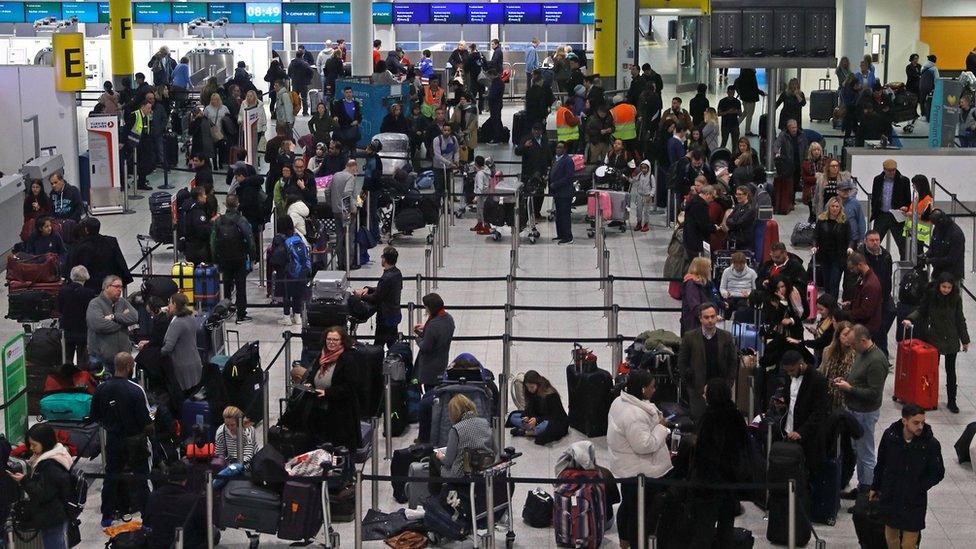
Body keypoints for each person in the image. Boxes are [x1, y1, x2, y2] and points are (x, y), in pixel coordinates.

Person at [606, 369, 672, 549]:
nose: (655, 389)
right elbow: (644, 445)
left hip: (627, 467)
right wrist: (661, 428)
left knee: (628, 504)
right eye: (652, 386)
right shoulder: (634, 415)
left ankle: (625, 541)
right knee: (638, 511)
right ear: (642, 389)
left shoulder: (620, 402)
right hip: (640, 471)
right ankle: (636, 543)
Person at [871, 404, 945, 549]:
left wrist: (919, 486)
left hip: (914, 499)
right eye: (916, 422)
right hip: (891, 495)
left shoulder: (930, 444)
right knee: (891, 537)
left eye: (922, 422)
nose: (920, 426)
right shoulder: (890, 436)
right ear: (905, 421)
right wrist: (875, 486)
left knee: (908, 544)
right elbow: (881, 463)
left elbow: (937, 472)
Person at [91, 352, 152, 527]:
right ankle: (147, 520)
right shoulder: (135, 389)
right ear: (128, 367)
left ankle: (107, 516)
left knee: (111, 477)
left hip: (113, 440)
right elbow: (146, 420)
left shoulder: (101, 388)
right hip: (135, 440)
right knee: (141, 479)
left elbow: (95, 415)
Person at [687, 380, 749, 549]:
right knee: (725, 530)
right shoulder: (735, 415)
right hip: (730, 483)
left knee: (703, 531)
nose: (703, 395)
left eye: (706, 392)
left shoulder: (711, 417)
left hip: (710, 486)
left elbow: (706, 453)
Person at [833, 324, 889, 501]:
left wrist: (850, 389)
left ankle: (867, 493)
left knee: (866, 454)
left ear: (863, 341)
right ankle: (862, 486)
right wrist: (846, 381)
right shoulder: (862, 353)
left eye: (853, 344)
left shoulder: (877, 361)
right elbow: (859, 378)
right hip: (854, 411)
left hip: (865, 413)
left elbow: (873, 393)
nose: (851, 348)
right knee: (858, 450)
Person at [903, 272, 969, 413]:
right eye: (944, 286)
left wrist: (965, 340)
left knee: (951, 371)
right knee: (931, 371)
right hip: (934, 339)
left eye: (949, 287)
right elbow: (921, 310)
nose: (946, 290)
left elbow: (960, 319)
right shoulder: (932, 296)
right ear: (939, 285)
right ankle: (928, 397)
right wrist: (910, 318)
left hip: (951, 339)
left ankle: (952, 401)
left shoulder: (956, 299)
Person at [292, 327, 362, 450]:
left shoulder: (348, 359)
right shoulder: (322, 355)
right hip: (319, 407)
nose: (331, 342)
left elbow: (350, 386)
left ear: (342, 341)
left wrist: (327, 393)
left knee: (339, 447)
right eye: (329, 339)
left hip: (340, 412)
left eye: (335, 339)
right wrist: (309, 383)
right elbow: (313, 373)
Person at [5, 422, 72, 549]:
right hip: (55, 513)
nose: (31, 448)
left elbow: (43, 493)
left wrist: (24, 480)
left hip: (53, 516)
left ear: (45, 442)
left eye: (34, 445)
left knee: (54, 544)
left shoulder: (50, 465)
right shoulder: (58, 454)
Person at [678, 302, 737, 420]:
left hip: (720, 390)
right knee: (699, 423)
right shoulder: (690, 337)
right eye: (706, 317)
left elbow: (733, 362)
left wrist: (728, 385)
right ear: (700, 318)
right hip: (697, 390)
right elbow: (682, 362)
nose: (710, 320)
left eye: (713, 316)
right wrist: (690, 385)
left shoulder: (726, 337)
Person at [773, 350, 829, 475]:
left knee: (807, 472)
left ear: (801, 364)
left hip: (808, 436)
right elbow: (792, 400)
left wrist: (801, 432)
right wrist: (783, 404)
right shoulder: (790, 376)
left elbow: (819, 412)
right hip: (789, 430)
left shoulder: (818, 380)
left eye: (792, 370)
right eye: (787, 371)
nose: (790, 374)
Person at [142, 461, 208, 549]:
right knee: (213, 533)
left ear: (168, 477)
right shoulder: (194, 500)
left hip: (158, 543)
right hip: (187, 544)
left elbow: (147, 522)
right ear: (186, 479)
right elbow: (203, 528)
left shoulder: (153, 496)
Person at [210, 195, 255, 324]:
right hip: (239, 258)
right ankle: (241, 314)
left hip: (224, 258)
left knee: (227, 285)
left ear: (226, 205)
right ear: (237, 204)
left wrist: (215, 258)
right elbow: (250, 239)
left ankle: (226, 309)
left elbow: (213, 241)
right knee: (241, 287)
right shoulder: (241, 220)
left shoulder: (219, 221)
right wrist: (253, 256)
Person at [85, 275, 137, 372]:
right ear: (107, 287)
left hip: (122, 360)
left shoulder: (123, 302)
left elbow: (134, 317)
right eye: (116, 286)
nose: (120, 290)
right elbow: (99, 325)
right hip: (101, 359)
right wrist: (123, 323)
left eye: (121, 287)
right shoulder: (95, 304)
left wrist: (115, 317)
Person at [355, 246, 403, 349]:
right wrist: (369, 289)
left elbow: (376, 298)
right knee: (392, 344)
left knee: (378, 346)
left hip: (385, 317)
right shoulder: (397, 273)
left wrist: (360, 296)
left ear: (385, 259)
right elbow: (384, 290)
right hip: (394, 314)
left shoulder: (386, 278)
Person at [435, 394, 493, 478]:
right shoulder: (485, 422)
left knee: (434, 460)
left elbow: (448, 462)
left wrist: (440, 456)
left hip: (461, 474)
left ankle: (440, 490)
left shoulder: (456, 429)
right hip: (484, 469)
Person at [509, 370, 569, 445]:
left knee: (544, 426)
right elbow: (530, 408)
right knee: (513, 416)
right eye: (527, 387)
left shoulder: (551, 394)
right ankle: (532, 430)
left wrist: (537, 420)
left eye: (532, 387)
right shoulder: (531, 392)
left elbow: (553, 416)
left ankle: (526, 432)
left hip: (553, 420)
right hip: (537, 418)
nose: (529, 390)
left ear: (538, 384)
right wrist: (527, 416)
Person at [159, 293, 202, 392]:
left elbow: (168, 347)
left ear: (174, 304)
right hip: (195, 362)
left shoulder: (178, 323)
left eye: (169, 303)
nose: (168, 306)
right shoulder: (191, 317)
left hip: (182, 367)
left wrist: (156, 354)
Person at [57, 266, 98, 367]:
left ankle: (67, 378)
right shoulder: (89, 293)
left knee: (67, 358)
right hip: (83, 329)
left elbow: (60, 309)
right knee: (83, 360)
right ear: (85, 277)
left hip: (67, 328)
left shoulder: (63, 291)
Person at [414, 293, 456, 389]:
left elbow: (425, 347)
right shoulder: (449, 319)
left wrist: (417, 337)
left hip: (430, 367)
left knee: (430, 392)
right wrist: (426, 328)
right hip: (442, 361)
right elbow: (439, 334)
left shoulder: (433, 325)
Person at [814, 197, 853, 299]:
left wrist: (850, 247)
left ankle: (833, 305)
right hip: (825, 256)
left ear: (840, 208)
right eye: (833, 206)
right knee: (826, 281)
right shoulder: (821, 219)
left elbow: (850, 238)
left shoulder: (844, 221)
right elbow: (815, 236)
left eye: (837, 206)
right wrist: (814, 246)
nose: (835, 208)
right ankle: (827, 303)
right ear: (829, 207)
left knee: (834, 281)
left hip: (839, 257)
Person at [278, 216, 312, 325]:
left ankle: (287, 317)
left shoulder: (279, 239)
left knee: (287, 294)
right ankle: (297, 317)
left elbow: (276, 258)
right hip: (301, 270)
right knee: (298, 294)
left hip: (287, 271)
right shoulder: (297, 236)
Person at [845, 253, 883, 342]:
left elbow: (865, 312)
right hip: (862, 324)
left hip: (867, 327)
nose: (851, 271)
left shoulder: (870, 285)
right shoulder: (864, 279)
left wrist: (847, 313)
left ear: (860, 265)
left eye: (852, 268)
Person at [927, 209, 966, 281]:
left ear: (941, 220)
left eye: (936, 224)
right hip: (937, 272)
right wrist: (925, 255)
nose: (935, 226)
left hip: (952, 275)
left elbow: (951, 259)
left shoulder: (956, 234)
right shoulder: (937, 228)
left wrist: (931, 260)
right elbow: (932, 248)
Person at [682, 184, 717, 260]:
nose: (712, 200)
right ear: (708, 194)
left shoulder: (693, 200)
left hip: (689, 238)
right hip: (697, 241)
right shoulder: (701, 205)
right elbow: (703, 225)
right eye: (713, 197)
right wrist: (714, 228)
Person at [719, 251, 757, 316]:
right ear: (733, 263)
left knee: (742, 309)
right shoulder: (726, 271)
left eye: (741, 264)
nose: (739, 267)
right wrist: (725, 294)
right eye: (736, 265)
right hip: (730, 297)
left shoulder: (752, 273)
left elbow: (755, 289)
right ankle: (726, 324)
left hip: (745, 298)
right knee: (726, 306)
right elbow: (722, 288)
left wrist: (749, 295)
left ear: (745, 263)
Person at [183, 187, 213, 265]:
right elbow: (202, 231)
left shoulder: (188, 208)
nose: (206, 196)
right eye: (204, 195)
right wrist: (210, 226)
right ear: (199, 196)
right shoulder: (198, 212)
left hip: (189, 246)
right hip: (198, 249)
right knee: (200, 273)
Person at [800, 142, 828, 222]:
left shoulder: (826, 162)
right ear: (811, 152)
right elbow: (804, 178)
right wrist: (817, 178)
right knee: (812, 214)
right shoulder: (806, 163)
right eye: (814, 150)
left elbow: (828, 176)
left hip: (823, 190)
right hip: (810, 191)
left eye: (818, 150)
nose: (817, 152)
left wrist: (820, 178)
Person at [733, 68, 765, 136]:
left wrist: (740, 92)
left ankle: (735, 125)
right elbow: (754, 87)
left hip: (744, 97)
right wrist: (761, 93)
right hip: (751, 98)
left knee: (745, 112)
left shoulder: (743, 72)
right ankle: (747, 131)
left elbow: (736, 82)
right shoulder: (751, 74)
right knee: (749, 114)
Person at [725, 185, 757, 250]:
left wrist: (733, 221)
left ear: (746, 195)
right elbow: (727, 220)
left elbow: (739, 223)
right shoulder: (738, 206)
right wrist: (734, 221)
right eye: (736, 194)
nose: (737, 197)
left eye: (740, 194)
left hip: (744, 241)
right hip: (734, 238)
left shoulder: (750, 209)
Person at [836, 179, 866, 248]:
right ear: (837, 191)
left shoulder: (855, 203)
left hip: (853, 238)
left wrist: (861, 238)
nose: (846, 192)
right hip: (837, 239)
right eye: (843, 190)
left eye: (847, 190)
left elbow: (861, 222)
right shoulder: (832, 203)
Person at [630, 160, 655, 232]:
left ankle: (646, 224)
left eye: (645, 168)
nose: (644, 169)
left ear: (648, 168)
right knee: (638, 210)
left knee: (646, 211)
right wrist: (628, 178)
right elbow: (633, 180)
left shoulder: (651, 176)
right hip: (639, 195)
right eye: (642, 168)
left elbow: (653, 187)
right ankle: (639, 223)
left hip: (647, 196)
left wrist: (651, 195)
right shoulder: (640, 175)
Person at [287, 52, 313, 116]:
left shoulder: (292, 63)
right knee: (304, 98)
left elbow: (289, 72)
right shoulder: (305, 63)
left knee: (294, 98)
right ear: (302, 55)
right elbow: (311, 71)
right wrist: (308, 78)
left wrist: (292, 78)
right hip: (303, 83)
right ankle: (305, 112)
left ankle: (294, 112)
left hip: (295, 83)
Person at [918, 55, 938, 120]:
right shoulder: (934, 68)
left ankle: (923, 114)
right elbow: (937, 79)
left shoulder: (923, 67)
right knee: (929, 101)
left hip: (921, 86)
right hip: (930, 87)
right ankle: (928, 116)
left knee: (922, 100)